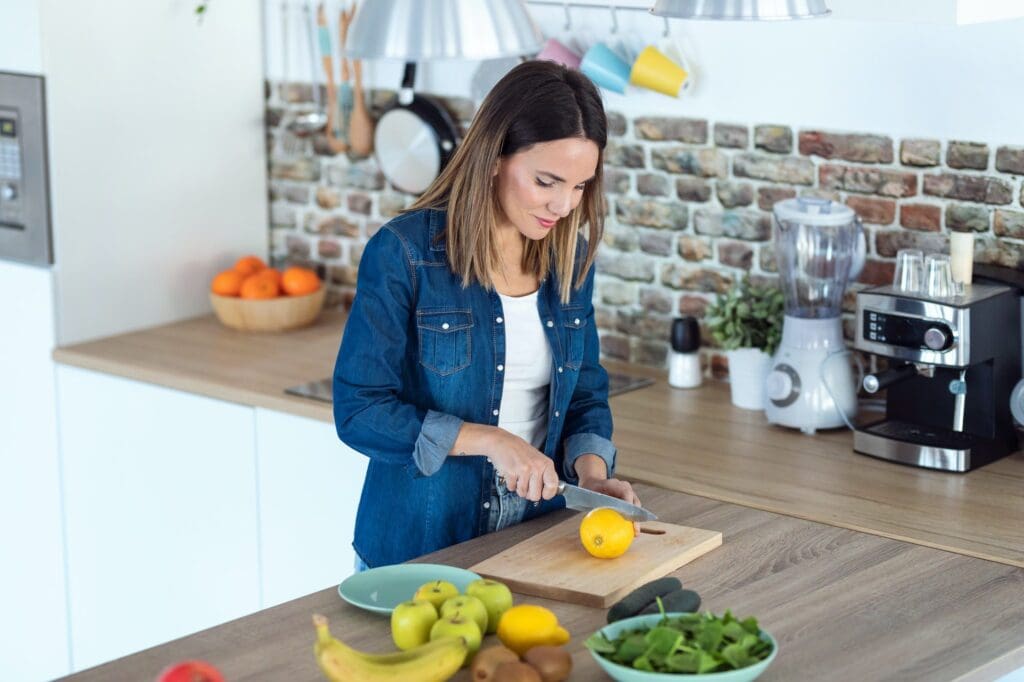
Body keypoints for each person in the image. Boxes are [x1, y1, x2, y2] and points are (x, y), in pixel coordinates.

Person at [333, 60, 641, 571]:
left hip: (535, 542)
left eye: (581, 186)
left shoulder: (569, 258)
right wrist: (492, 442)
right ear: (496, 155)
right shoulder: (404, 254)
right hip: (421, 550)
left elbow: (585, 389)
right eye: (547, 181)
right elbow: (359, 411)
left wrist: (590, 474)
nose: (564, 205)